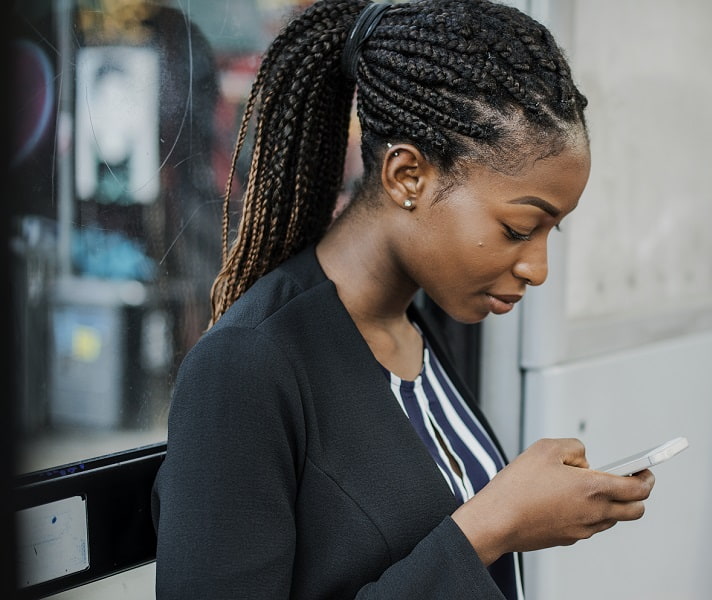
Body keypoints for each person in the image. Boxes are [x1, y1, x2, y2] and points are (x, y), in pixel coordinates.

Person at [150, 1, 656, 598]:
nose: (537, 268)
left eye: (553, 231)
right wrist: (494, 524)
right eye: (520, 229)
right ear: (407, 176)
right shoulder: (245, 369)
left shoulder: (413, 326)